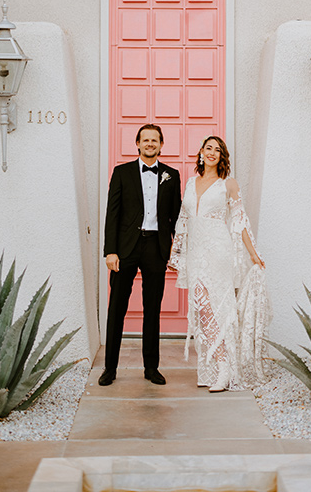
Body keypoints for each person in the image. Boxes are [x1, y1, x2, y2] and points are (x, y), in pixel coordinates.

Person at [169, 136, 269, 392]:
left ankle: (224, 369)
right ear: (201, 152)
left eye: (218, 149)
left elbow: (239, 221)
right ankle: (211, 369)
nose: (212, 152)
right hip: (195, 253)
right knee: (203, 309)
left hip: (218, 251)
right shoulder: (191, 183)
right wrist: (176, 253)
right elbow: (182, 221)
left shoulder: (229, 184)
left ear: (222, 156)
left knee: (218, 309)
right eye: (208, 148)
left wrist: (253, 254)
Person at [99, 123, 181, 386]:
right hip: (125, 249)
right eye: (145, 140)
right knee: (117, 308)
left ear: (161, 145)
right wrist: (110, 251)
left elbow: (176, 216)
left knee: (152, 309)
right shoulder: (122, 172)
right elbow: (112, 213)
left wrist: (177, 251)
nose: (149, 144)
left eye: (154, 140)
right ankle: (110, 368)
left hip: (156, 249)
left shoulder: (172, 175)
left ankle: (151, 368)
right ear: (137, 144)